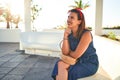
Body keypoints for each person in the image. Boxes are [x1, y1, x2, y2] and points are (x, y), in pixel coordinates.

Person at [51, 8, 99, 80]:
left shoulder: (86, 34)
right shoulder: (70, 34)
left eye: (72, 17)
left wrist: (70, 52)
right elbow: (65, 52)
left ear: (79, 21)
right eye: (68, 17)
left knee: (65, 71)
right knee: (59, 64)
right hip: (76, 61)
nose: (68, 20)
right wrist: (65, 35)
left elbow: (75, 55)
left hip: (89, 63)